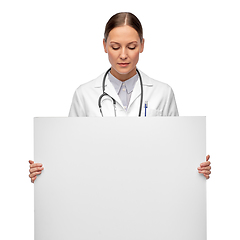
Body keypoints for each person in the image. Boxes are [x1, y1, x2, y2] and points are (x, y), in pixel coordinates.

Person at [29, 12, 211, 183]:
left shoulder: (163, 93)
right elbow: (70, 153)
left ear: (142, 45)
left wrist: (196, 168)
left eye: (131, 47)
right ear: (104, 45)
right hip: (98, 188)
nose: (123, 55)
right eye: (115, 47)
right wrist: (45, 170)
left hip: (151, 188)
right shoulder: (84, 94)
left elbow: (176, 151)